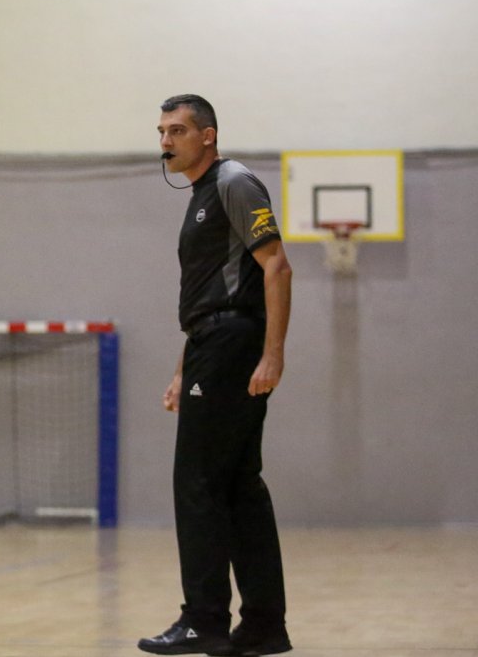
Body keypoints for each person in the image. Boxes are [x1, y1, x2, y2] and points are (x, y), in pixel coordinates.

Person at [139, 94, 293, 657]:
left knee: (198, 483)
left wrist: (272, 353)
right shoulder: (203, 194)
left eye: (177, 130)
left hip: (232, 346)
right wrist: (184, 368)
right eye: (161, 131)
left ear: (208, 135)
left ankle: (203, 619)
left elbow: (275, 265)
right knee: (238, 488)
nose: (165, 141)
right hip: (214, 344)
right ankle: (263, 626)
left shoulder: (234, 182)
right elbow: (208, 295)